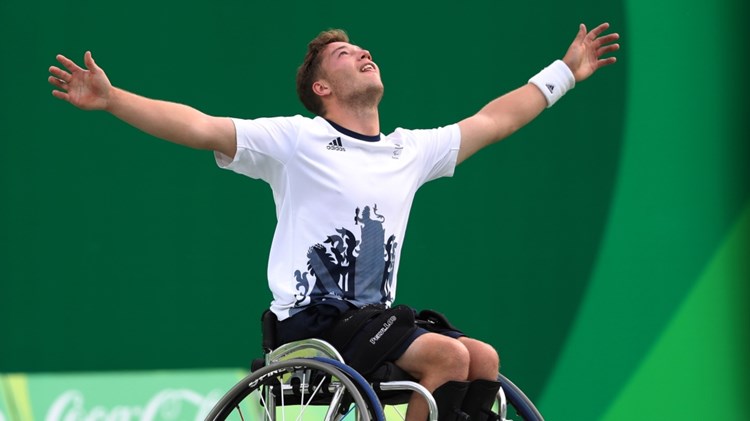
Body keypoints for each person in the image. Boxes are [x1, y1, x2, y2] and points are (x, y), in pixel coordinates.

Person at [49, 23, 619, 421]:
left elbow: (495, 119)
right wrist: (114, 98)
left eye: (364, 49)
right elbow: (199, 127)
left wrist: (564, 72)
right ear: (321, 89)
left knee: (484, 360)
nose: (363, 53)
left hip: (374, 322)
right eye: (345, 54)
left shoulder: (409, 150)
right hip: (310, 326)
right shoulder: (297, 140)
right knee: (449, 356)